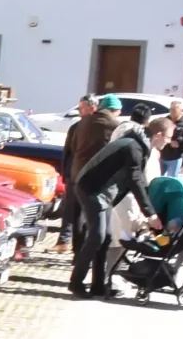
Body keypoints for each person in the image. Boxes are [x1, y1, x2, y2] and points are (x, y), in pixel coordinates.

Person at [70, 115, 165, 298]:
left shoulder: (137, 144)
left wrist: (149, 209)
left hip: (103, 192)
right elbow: (135, 180)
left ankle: (98, 284)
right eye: (168, 138)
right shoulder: (133, 147)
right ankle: (76, 282)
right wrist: (150, 214)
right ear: (159, 135)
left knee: (105, 237)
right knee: (97, 236)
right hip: (92, 189)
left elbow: (138, 182)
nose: (168, 142)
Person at [58, 95, 120, 252]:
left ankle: (77, 252)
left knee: (77, 214)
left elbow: (70, 150)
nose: (79, 112)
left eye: (81, 108)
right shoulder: (114, 126)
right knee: (87, 216)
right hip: (92, 177)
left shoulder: (80, 125)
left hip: (77, 174)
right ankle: (84, 250)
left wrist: (68, 174)